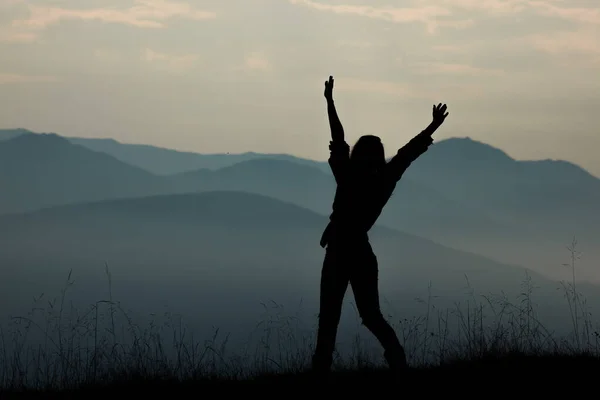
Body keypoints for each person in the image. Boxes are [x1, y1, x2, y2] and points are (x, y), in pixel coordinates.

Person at [312, 75, 449, 374]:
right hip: (360, 252)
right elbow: (408, 154)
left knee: (329, 318)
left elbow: (338, 139)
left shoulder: (347, 175)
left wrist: (330, 101)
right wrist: (433, 127)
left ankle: (320, 370)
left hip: (338, 251)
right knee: (371, 316)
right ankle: (397, 359)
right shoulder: (382, 181)